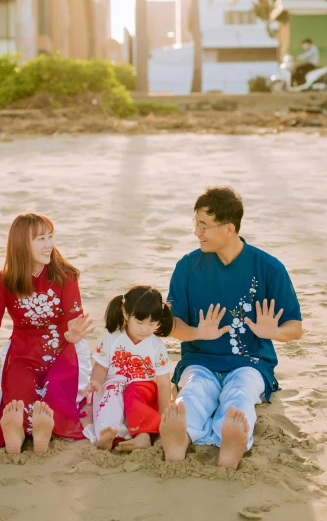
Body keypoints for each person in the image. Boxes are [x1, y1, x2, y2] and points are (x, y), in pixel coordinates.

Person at [160, 187, 302, 469]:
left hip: (250, 362)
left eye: (204, 226)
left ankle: (231, 442)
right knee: (193, 391)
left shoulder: (268, 268)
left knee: (240, 393)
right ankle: (180, 437)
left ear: (228, 228)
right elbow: (171, 325)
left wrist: (272, 332)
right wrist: (198, 333)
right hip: (199, 360)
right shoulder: (188, 266)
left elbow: (295, 328)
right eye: (196, 224)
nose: (197, 233)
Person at [0, 213, 94, 455]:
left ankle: (41, 432)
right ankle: (19, 432)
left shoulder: (66, 276)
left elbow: (73, 321)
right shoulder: (3, 281)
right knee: (18, 396)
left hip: (62, 348)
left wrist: (74, 335)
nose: (49, 244)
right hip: (22, 352)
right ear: (22, 244)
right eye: (41, 238)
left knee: (56, 394)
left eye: (50, 237)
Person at [84, 285, 173, 452]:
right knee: (108, 394)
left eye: (152, 323)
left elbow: (163, 383)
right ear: (125, 314)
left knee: (134, 393)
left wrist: (162, 415)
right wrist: (95, 382)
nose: (145, 329)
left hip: (142, 389)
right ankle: (108, 435)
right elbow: (101, 366)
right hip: (114, 384)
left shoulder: (156, 345)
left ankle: (143, 436)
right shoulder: (112, 338)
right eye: (139, 322)